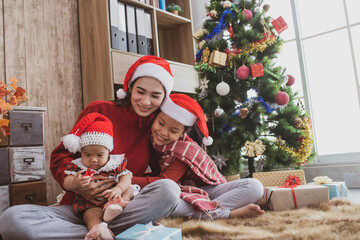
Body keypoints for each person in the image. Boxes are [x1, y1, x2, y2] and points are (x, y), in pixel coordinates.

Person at [0, 55, 180, 240]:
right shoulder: (100, 110)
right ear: (130, 88)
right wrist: (78, 186)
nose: (145, 101)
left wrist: (120, 185)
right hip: (77, 209)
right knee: (11, 219)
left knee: (169, 190)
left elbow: (165, 175)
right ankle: (108, 232)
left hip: (121, 208)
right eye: (140, 92)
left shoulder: (158, 127)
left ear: (164, 98)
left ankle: (99, 232)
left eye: (155, 96)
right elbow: (60, 157)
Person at [149, 93, 265, 219]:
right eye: (161, 123)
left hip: (205, 190)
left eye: (173, 131)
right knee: (160, 201)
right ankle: (226, 213)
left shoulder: (185, 150)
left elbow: (165, 179)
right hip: (178, 194)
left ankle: (207, 213)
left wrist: (129, 178)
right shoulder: (149, 140)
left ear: (182, 133)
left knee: (255, 186)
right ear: (154, 119)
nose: (163, 132)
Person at [61, 112, 138, 239]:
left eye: (100, 155)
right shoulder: (78, 166)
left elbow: (126, 177)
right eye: (88, 155)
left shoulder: (115, 163)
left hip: (115, 197)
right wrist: (75, 182)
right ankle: (99, 231)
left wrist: (118, 188)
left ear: (109, 152)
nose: (94, 160)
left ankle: (115, 206)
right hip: (92, 203)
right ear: (81, 152)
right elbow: (66, 181)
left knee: (129, 189)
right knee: (90, 214)